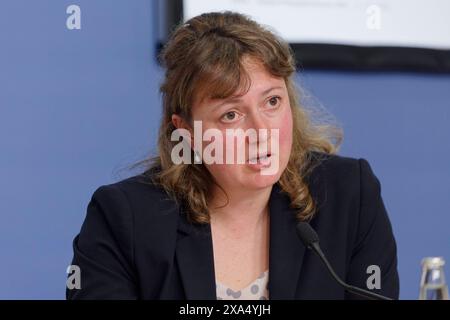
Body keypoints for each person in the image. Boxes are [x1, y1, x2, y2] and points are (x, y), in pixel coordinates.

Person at [66, 11, 399, 300]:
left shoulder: (348, 196)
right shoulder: (124, 219)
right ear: (187, 133)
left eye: (272, 102)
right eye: (230, 115)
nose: (261, 131)